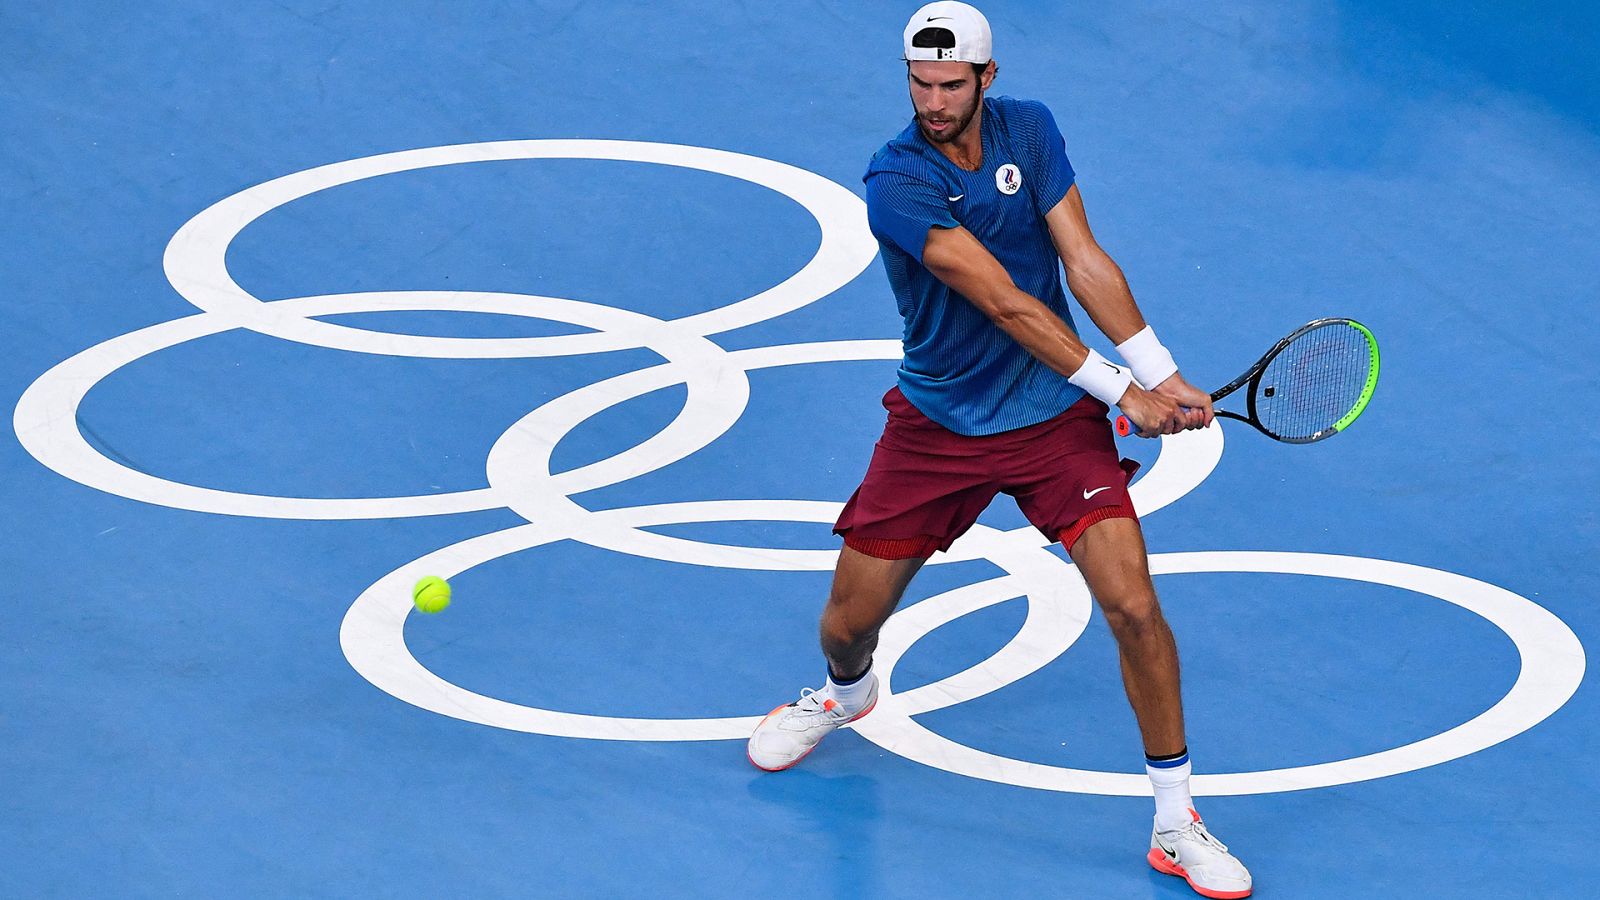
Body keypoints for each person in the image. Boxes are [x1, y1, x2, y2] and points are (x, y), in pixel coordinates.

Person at [746, 2, 1252, 897]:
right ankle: (848, 692)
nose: (932, 101)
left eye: (950, 84)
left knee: (1134, 605)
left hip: (1053, 422)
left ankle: (1176, 821)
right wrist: (1122, 393)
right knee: (847, 623)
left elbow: (1082, 259)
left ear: (987, 77)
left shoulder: (1032, 129)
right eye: (919, 82)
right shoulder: (895, 180)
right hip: (938, 427)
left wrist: (1159, 370)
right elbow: (1008, 305)